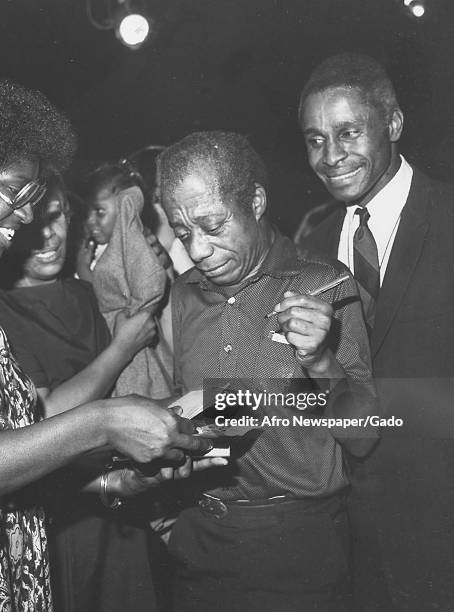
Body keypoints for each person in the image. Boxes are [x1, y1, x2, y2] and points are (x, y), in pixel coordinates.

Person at [0, 60, 213, 611]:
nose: (29, 213)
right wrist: (100, 422)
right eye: (14, 189)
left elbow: (9, 454)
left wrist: (105, 485)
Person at [157, 131, 377, 611]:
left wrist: (320, 360)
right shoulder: (185, 294)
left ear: (255, 202)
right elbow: (202, 421)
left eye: (213, 226)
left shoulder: (325, 283)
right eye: (182, 231)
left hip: (297, 551)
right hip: (200, 543)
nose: (197, 251)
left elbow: (363, 435)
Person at [0, 171, 194, 612]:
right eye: (34, 220)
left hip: (124, 502)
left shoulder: (88, 291)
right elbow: (47, 414)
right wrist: (121, 348)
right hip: (61, 524)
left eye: (58, 216)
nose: (47, 234)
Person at [299, 53, 454, 610]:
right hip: (358, 543)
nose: (331, 156)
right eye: (315, 139)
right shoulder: (312, 251)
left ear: (392, 124)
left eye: (347, 132)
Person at [77, 161, 174, 399]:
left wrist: (84, 272)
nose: (90, 221)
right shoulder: (93, 251)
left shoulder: (137, 247)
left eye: (100, 212)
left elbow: (109, 294)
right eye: (87, 212)